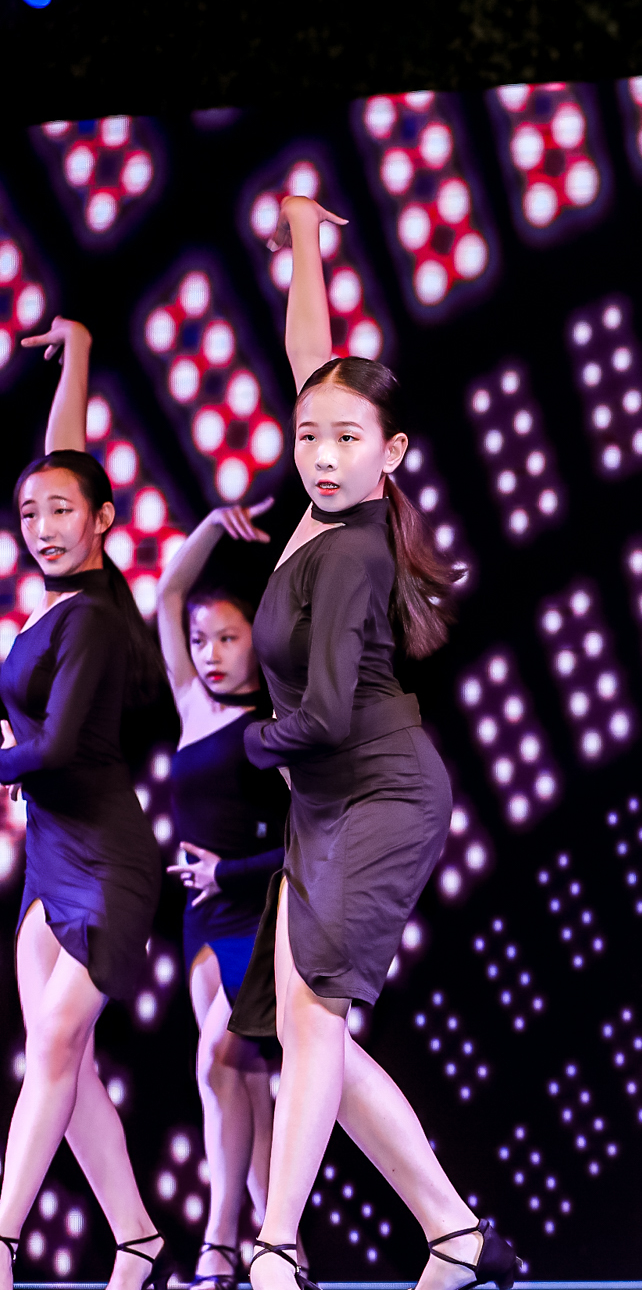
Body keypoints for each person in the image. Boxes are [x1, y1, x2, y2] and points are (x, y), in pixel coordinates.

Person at [236, 195, 517, 1290]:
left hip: (377, 790)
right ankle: (454, 1231)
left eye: (348, 439)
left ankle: (273, 1244)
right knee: (314, 1030)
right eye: (308, 434)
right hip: (328, 801)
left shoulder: (350, 549)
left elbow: (323, 717)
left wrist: (251, 744)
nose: (321, 452)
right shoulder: (321, 503)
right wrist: (306, 236)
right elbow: (313, 363)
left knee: (315, 1021)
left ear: (391, 454)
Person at [0, 316, 173, 1290]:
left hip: (108, 862)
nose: (43, 525)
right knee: (64, 1063)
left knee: (57, 1053)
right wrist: (79, 358)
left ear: (103, 521)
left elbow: (59, 749)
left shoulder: (99, 618)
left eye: (62, 512)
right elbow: (62, 463)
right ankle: (138, 1239)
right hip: (48, 857)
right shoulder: (62, 598)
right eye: (30, 513)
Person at [157, 498, 292, 1290]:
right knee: (234, 1084)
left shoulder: (273, 731)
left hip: (255, 914)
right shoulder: (192, 708)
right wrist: (212, 523)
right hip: (199, 920)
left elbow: (309, 843)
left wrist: (227, 873)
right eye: (202, 640)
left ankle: (218, 1244)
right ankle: (281, 1252)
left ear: (256, 642)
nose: (209, 653)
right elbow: (169, 594)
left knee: (219, 1060)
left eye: (227, 638)